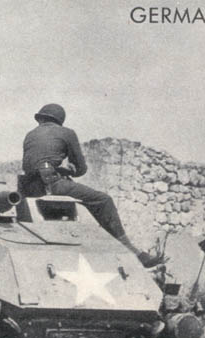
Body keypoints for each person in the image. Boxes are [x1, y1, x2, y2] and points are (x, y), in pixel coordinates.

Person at [21, 103, 163, 267]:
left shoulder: (29, 135)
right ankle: (133, 252)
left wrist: (58, 169)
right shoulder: (67, 133)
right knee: (104, 200)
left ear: (41, 119)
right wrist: (70, 171)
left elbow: (34, 164)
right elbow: (81, 168)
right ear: (60, 120)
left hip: (30, 187)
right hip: (52, 184)